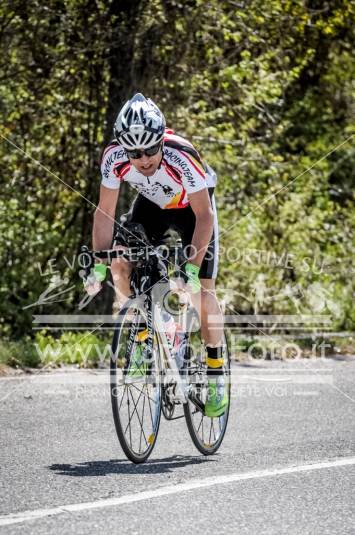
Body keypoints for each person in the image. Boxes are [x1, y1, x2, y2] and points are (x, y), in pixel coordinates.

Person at [87, 93, 227, 417]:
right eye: (135, 153)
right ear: (124, 148)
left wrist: (192, 267)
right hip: (152, 208)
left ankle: (216, 371)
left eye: (151, 149)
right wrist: (97, 263)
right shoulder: (113, 157)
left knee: (201, 288)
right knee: (120, 261)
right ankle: (142, 334)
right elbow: (104, 213)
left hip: (193, 209)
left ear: (161, 139)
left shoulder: (182, 154)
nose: (144, 159)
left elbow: (204, 216)